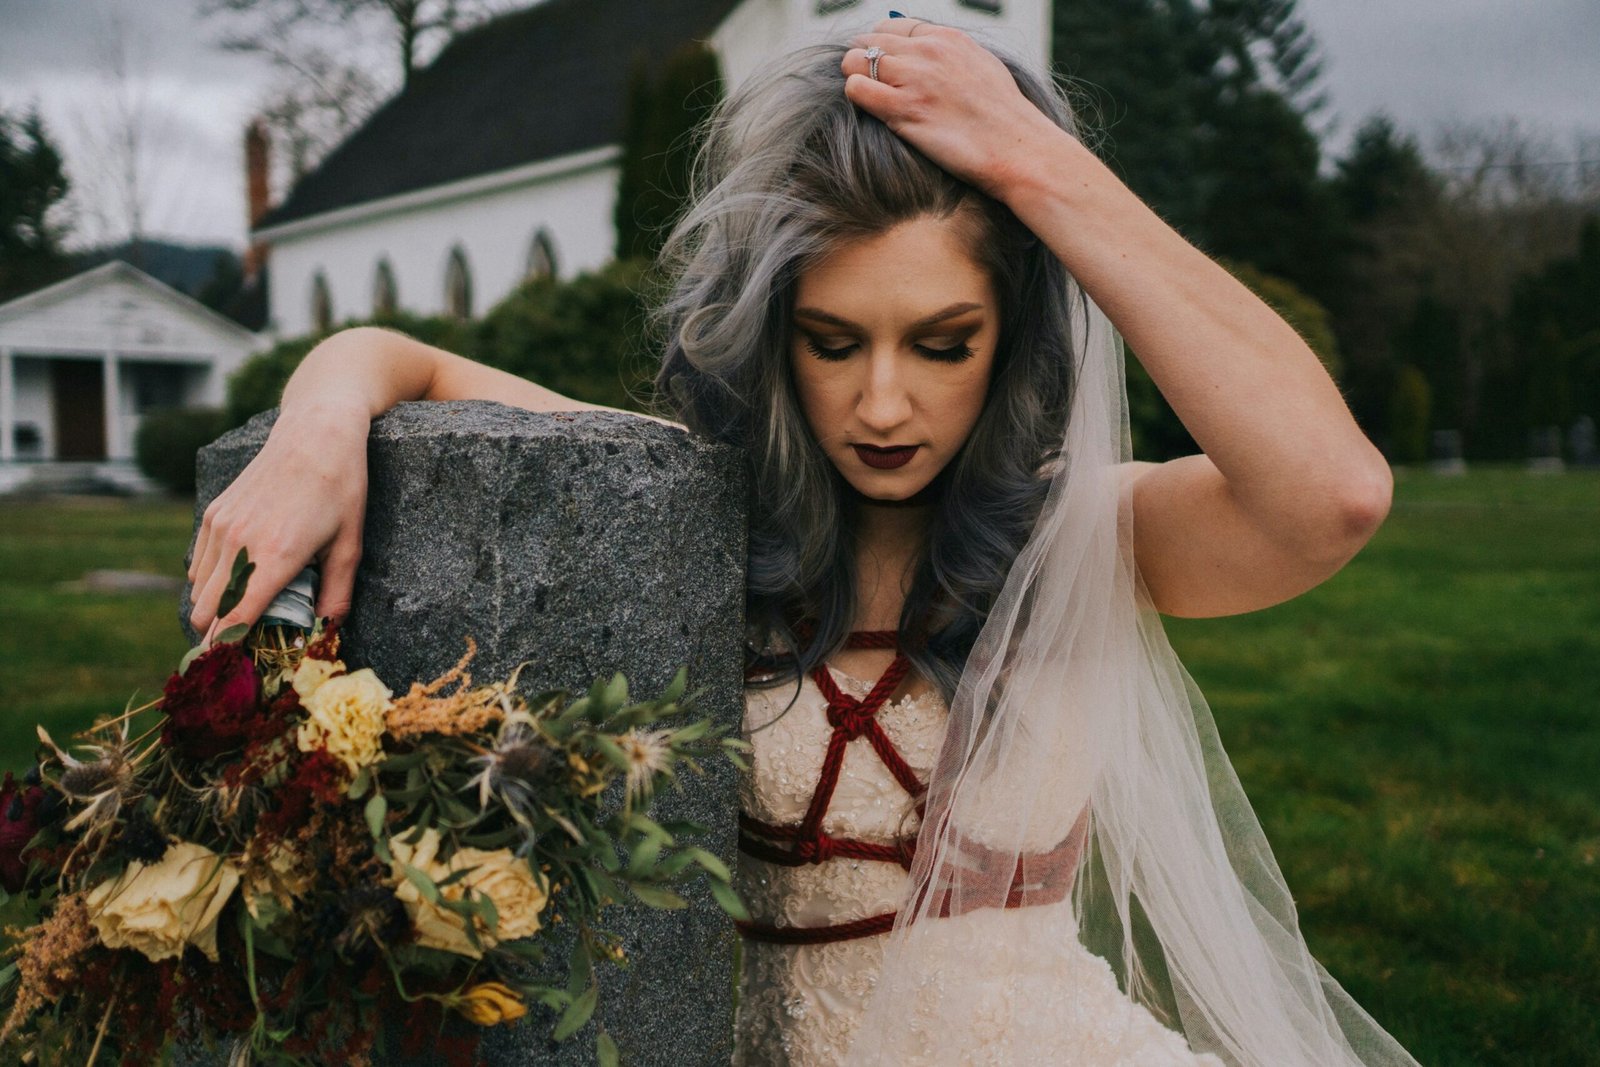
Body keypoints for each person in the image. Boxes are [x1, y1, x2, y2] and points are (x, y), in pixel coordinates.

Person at [187, 17, 1421, 1067]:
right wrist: (317, 422)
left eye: (942, 343)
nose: (883, 404)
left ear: (1010, 342)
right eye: (836, 341)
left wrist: (1036, 167)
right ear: (777, 337)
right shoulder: (686, 508)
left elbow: (1331, 497)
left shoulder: (1086, 537)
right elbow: (404, 358)